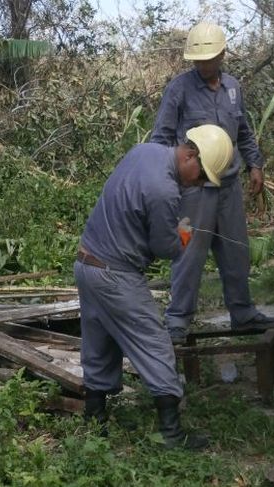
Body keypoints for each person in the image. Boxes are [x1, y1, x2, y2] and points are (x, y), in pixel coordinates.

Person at [75, 124, 233, 449]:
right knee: (156, 344)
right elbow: (165, 247)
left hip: (86, 263)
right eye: (201, 176)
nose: (199, 184)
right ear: (190, 155)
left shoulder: (143, 150)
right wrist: (184, 233)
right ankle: (171, 435)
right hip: (114, 275)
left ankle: (94, 421)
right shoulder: (165, 190)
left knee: (101, 342)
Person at [150, 22, 274, 345]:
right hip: (192, 193)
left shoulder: (233, 88)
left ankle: (242, 313)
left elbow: (245, 132)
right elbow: (161, 139)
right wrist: (169, 182)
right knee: (187, 252)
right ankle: (178, 321)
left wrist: (256, 165)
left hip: (228, 189)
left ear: (222, 54)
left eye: (210, 59)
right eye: (199, 61)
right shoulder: (178, 90)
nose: (204, 65)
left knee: (236, 252)